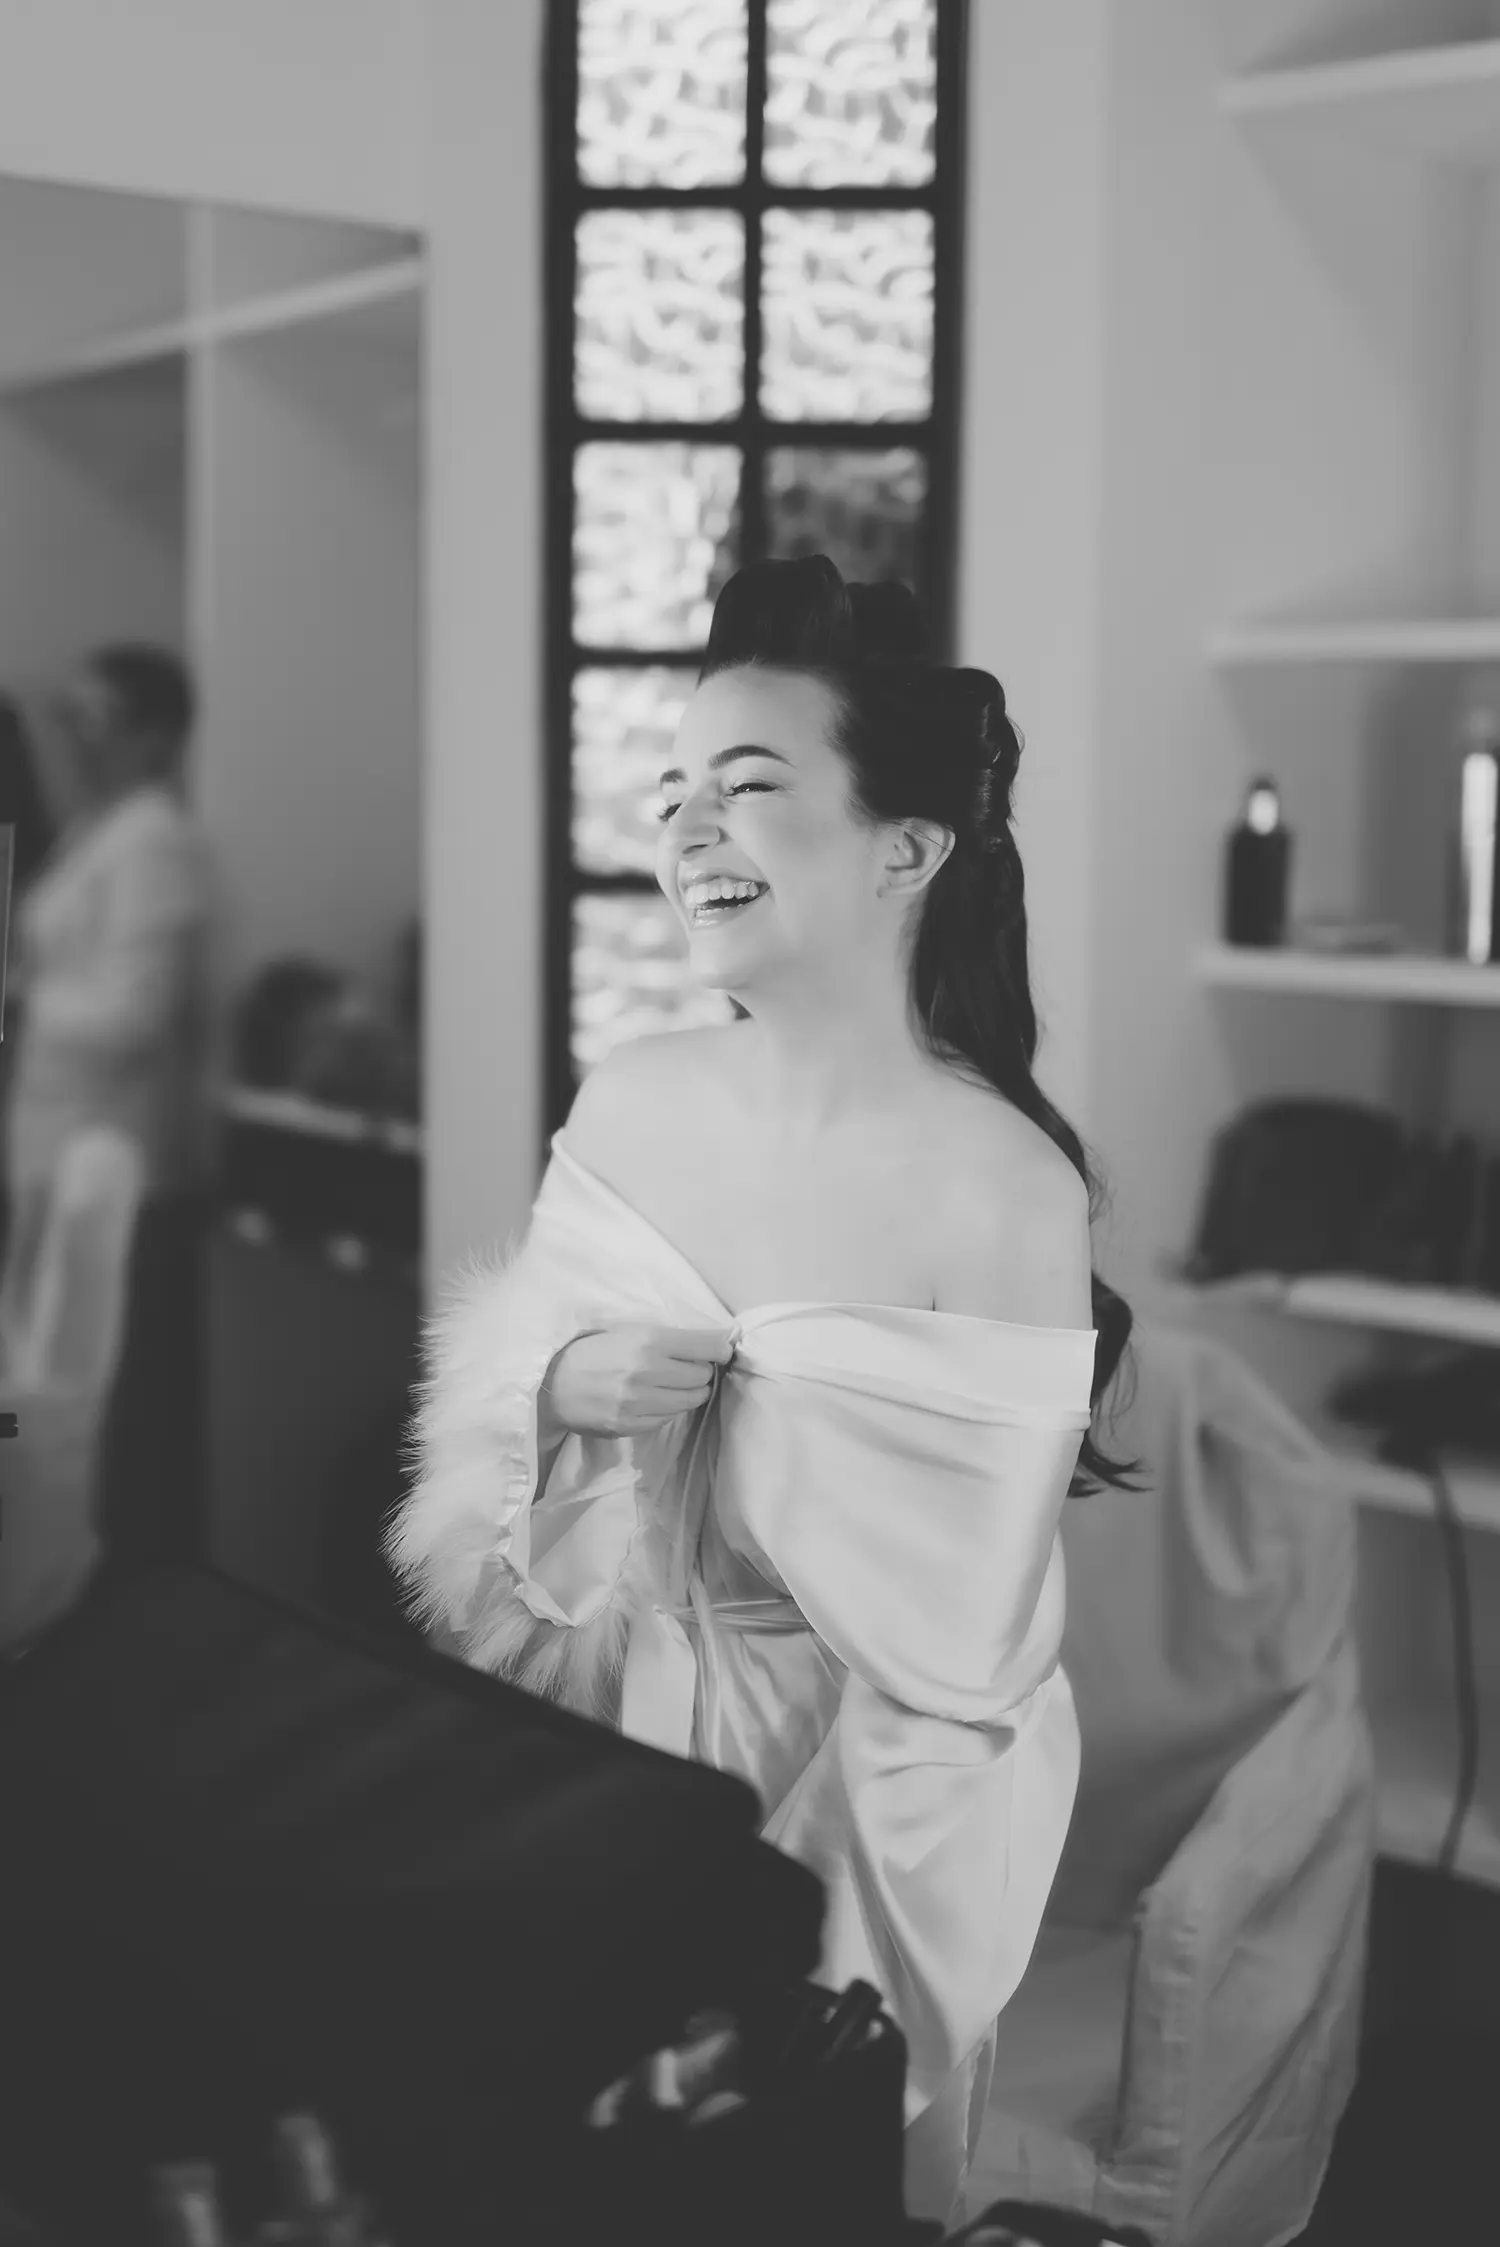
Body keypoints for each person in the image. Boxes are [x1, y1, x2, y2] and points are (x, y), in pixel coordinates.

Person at [386, 557, 1137, 2227]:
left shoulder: (1005, 1190)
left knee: (783, 2170)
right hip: (610, 1726)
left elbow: (964, 1671)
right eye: (674, 793)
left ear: (905, 849)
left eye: (746, 785)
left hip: (861, 1782)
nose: (689, 830)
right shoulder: (631, 1098)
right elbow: (500, 1438)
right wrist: (564, 1388)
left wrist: (791, 1930)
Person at [4, 644, 221, 1567]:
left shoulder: (153, 841)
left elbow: (135, 1016)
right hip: (52, 1141)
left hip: (109, 1155)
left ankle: (113, 1574)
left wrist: (21, 1002)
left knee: (101, 1389)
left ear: (154, 733)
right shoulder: (98, 830)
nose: (75, 739)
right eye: (70, 718)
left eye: (93, 719)